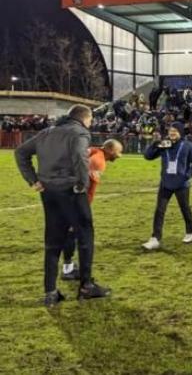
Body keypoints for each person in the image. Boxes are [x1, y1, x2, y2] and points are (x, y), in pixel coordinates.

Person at [14, 104, 111, 306]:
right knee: (85, 236)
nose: (91, 123)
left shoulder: (46, 132)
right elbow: (79, 157)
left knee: (52, 241)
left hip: (49, 193)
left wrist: (33, 180)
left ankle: (50, 292)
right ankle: (86, 286)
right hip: (71, 192)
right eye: (91, 120)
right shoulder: (79, 133)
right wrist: (82, 184)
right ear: (84, 118)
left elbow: (21, 152)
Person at [62, 139, 123, 281]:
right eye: (118, 152)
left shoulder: (95, 150)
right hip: (74, 197)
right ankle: (67, 269)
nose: (119, 155)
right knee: (73, 232)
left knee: (69, 231)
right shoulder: (98, 161)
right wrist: (84, 207)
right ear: (109, 150)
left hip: (65, 190)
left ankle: (68, 266)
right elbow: (88, 187)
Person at [142, 122, 192, 250]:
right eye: (170, 131)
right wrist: (155, 144)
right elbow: (148, 156)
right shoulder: (165, 145)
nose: (172, 133)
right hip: (166, 182)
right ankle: (155, 238)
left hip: (182, 184)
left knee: (184, 208)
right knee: (159, 210)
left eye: (175, 131)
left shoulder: (188, 146)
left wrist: (187, 175)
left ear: (180, 132)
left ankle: (190, 231)